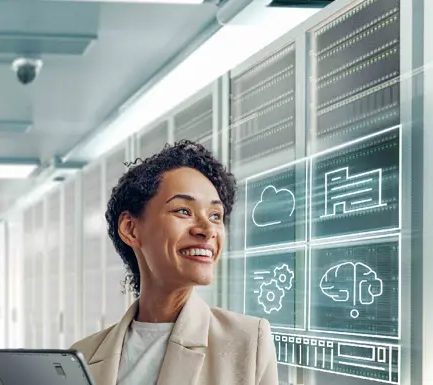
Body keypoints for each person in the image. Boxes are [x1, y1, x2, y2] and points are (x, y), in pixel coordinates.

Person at [70, 140, 279, 385]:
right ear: (131, 228)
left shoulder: (247, 341)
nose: (207, 230)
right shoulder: (82, 356)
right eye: (183, 211)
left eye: (215, 216)